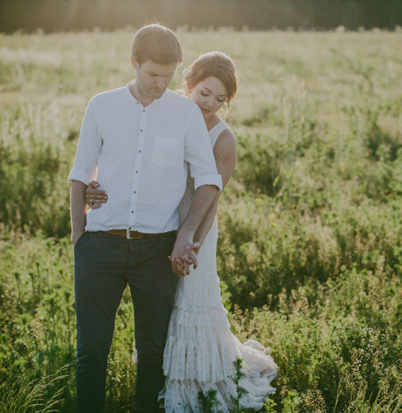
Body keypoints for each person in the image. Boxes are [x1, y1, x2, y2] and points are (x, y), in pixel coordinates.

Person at [86, 51, 278, 412]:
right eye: (205, 93)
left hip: (194, 229)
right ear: (188, 84)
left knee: (190, 302)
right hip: (155, 225)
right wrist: (92, 185)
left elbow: (211, 200)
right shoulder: (164, 112)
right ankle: (158, 379)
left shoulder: (223, 139)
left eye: (221, 100)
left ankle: (194, 385)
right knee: (161, 309)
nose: (210, 104)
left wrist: (192, 243)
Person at [68, 24, 223, 412]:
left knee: (152, 351)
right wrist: (79, 237)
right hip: (99, 246)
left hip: (156, 249)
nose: (161, 83)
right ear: (133, 62)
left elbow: (209, 180)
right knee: (91, 351)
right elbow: (79, 172)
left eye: (169, 76)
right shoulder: (101, 105)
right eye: (153, 74)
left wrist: (185, 235)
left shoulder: (185, 113)